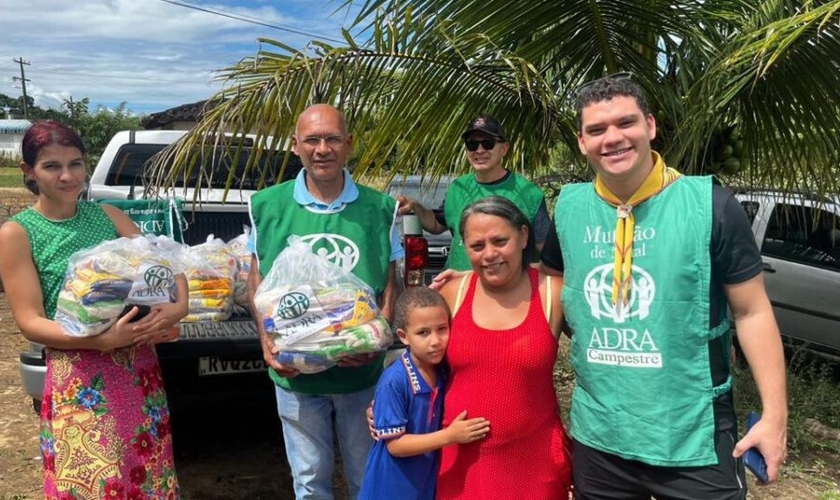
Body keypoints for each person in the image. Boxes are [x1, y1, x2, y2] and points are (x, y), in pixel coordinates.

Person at [540, 73, 788, 499]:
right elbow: (548, 290)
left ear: (650, 126)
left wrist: (775, 418)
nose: (612, 138)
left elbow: (752, 311)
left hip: (693, 434)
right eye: (597, 130)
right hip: (601, 435)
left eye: (626, 123)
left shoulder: (710, 204)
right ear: (582, 142)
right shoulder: (569, 208)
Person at [0, 120, 188, 499]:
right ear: (29, 171)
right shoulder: (18, 233)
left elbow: (165, 265)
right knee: (90, 480)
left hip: (138, 370)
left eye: (76, 164)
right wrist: (100, 340)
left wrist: (177, 306)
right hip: (80, 377)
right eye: (52, 166)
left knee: (147, 475)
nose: (68, 176)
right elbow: (31, 322)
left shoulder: (108, 216)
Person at [247, 103, 403, 500]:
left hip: (360, 376)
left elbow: (390, 283)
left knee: (366, 474)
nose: (322, 149)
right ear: (295, 145)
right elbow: (258, 281)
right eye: (312, 140)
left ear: (349, 144)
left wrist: (375, 343)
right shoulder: (267, 205)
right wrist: (268, 345)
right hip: (296, 376)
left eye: (332, 139)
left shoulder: (381, 208)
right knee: (310, 481)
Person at [435, 196, 573, 499]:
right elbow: (419, 366)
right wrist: (386, 405)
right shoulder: (452, 293)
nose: (489, 254)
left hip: (534, 462)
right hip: (462, 464)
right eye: (477, 246)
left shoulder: (554, 293)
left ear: (523, 236)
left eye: (500, 241)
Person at [359, 287, 490, 500]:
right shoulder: (394, 381)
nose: (435, 341)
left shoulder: (444, 370)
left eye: (442, 329)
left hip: (423, 484)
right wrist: (450, 436)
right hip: (391, 487)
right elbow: (395, 445)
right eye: (423, 332)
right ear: (403, 336)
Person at [397, 114, 550, 272]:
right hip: (459, 289)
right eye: (472, 144)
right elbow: (437, 224)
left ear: (504, 149)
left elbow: (547, 254)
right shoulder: (458, 188)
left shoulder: (529, 194)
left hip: (508, 293)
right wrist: (414, 206)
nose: (479, 150)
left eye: (487, 143)